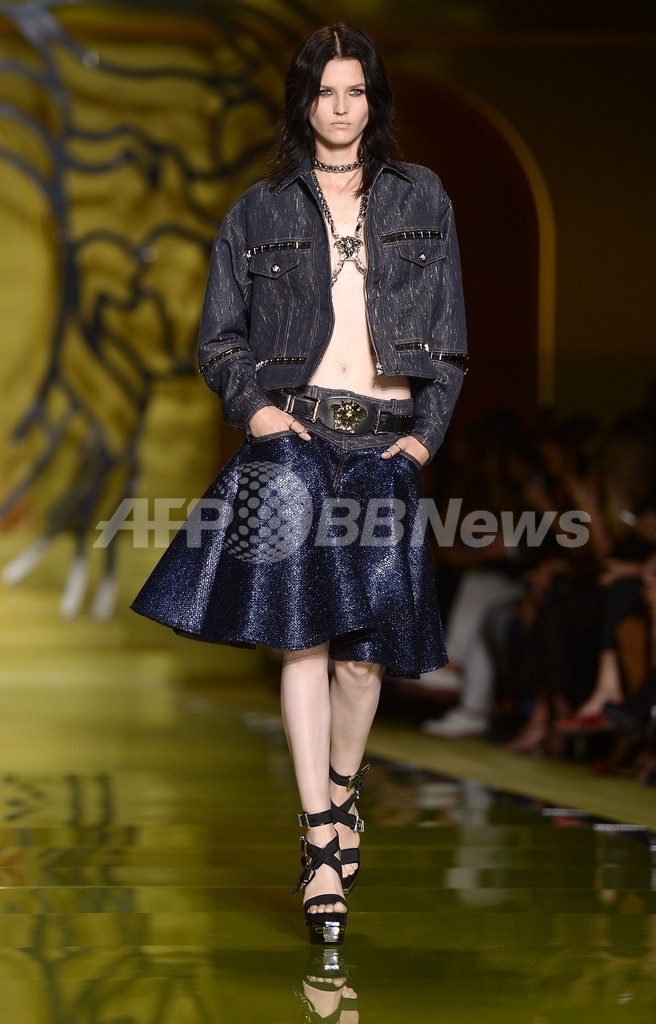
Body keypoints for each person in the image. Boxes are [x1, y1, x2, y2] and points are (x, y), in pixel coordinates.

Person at [131, 23, 467, 944]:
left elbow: (448, 340)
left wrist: (425, 440)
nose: (341, 108)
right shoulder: (258, 211)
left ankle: (343, 790)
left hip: (386, 445)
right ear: (304, 104)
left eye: (355, 91)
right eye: (326, 92)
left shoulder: (422, 196)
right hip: (297, 438)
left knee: (363, 659)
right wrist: (256, 411)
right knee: (303, 638)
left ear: (373, 100)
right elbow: (219, 339)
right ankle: (320, 833)